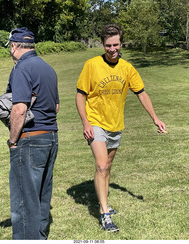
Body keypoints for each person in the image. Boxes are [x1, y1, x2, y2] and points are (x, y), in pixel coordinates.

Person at [76, 24, 166, 232]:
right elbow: (80, 94)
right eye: (108, 45)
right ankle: (105, 214)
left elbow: (141, 93)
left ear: (121, 44)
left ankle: (102, 201)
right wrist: (85, 122)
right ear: (103, 45)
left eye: (115, 44)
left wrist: (155, 118)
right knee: (101, 165)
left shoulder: (127, 68)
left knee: (107, 166)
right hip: (96, 122)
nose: (112, 48)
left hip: (116, 124)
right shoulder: (91, 65)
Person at [5, 27, 59, 240]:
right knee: (42, 193)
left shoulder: (21, 67)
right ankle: (39, 236)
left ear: (14, 46)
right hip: (51, 136)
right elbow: (55, 107)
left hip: (30, 138)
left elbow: (19, 109)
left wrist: (12, 141)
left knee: (24, 198)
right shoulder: (48, 68)